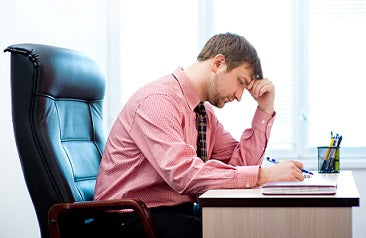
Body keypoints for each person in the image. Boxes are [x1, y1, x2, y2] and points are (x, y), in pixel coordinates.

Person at [94, 32, 305, 237]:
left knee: (247, 225)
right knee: (227, 231)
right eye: (240, 82)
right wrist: (263, 175)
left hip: (169, 213)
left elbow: (240, 165)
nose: (240, 96)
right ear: (218, 64)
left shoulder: (203, 113)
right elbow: (183, 174)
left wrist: (264, 109)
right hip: (126, 218)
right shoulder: (158, 101)